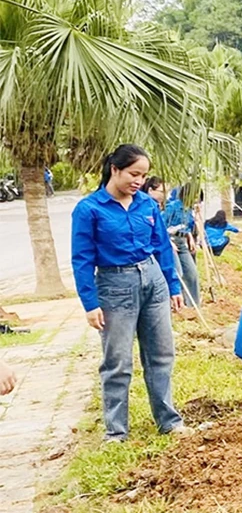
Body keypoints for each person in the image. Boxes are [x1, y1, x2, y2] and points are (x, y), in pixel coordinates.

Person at [70, 145, 185, 442]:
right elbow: (82, 259)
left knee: (161, 354)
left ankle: (169, 421)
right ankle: (116, 431)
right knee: (117, 361)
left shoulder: (147, 205)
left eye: (143, 175)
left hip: (152, 279)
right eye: (134, 173)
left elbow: (161, 247)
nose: (139, 180)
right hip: (114, 285)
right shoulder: (89, 209)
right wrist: (90, 303)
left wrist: (172, 286)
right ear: (115, 169)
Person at [160, 185, 201, 306]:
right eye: (195, 196)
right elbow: (161, 226)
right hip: (170, 241)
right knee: (177, 271)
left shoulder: (189, 210)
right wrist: (168, 241)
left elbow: (186, 226)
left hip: (182, 242)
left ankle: (192, 304)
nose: (196, 200)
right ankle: (176, 302)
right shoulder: (172, 207)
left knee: (191, 273)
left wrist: (189, 237)